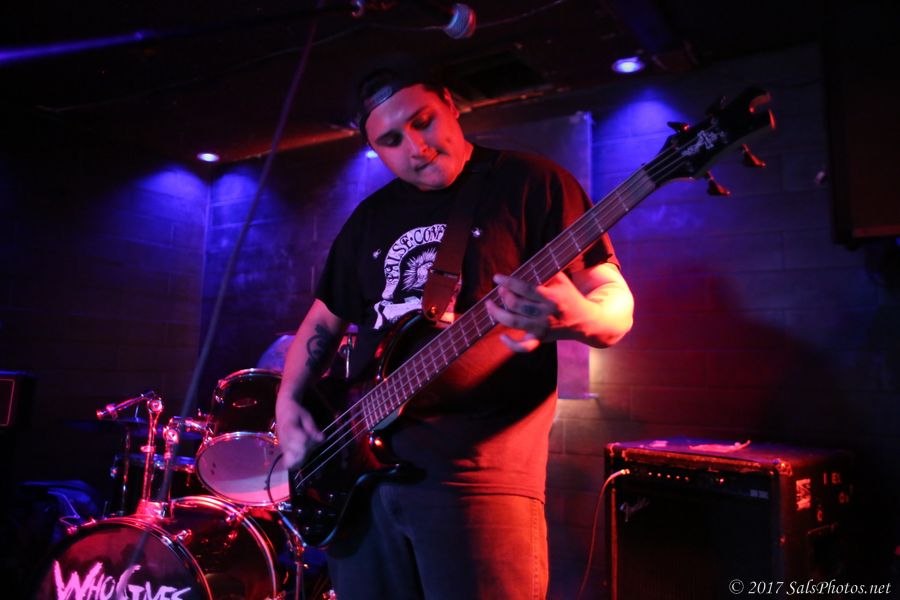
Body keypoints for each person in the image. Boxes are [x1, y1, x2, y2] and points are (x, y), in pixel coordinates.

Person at [275, 66, 634, 599]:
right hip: (359, 488)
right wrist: (287, 402)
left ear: (450, 103)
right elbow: (322, 324)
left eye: (423, 121)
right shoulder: (369, 218)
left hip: (478, 479)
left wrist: (580, 316)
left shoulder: (529, 182)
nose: (416, 148)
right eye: (391, 141)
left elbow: (614, 301)